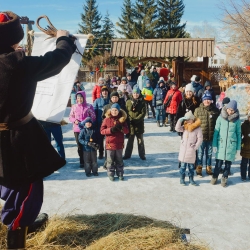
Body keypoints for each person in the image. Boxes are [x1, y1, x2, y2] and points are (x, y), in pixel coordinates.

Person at [0, 11, 76, 249]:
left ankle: (15, 221)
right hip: (19, 140)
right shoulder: (17, 63)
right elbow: (58, 59)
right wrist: (65, 39)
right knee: (28, 187)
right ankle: (17, 237)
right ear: (14, 39)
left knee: (10, 183)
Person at [211, 100, 241, 187]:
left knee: (228, 165)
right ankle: (215, 176)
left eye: (232, 110)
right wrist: (214, 145)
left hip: (231, 146)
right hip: (221, 145)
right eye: (229, 109)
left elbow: (239, 134)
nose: (230, 111)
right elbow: (216, 132)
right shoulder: (220, 118)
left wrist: (238, 148)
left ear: (235, 110)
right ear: (226, 108)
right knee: (218, 164)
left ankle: (224, 177)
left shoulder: (237, 120)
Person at [100, 103, 129, 181]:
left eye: (116, 110)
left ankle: (120, 174)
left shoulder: (122, 120)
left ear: (119, 111)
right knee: (110, 161)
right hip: (110, 144)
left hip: (119, 144)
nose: (114, 111)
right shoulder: (106, 119)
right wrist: (111, 130)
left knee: (119, 160)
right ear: (110, 111)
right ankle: (111, 174)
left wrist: (121, 128)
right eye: (113, 110)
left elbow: (127, 131)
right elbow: (102, 131)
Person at [194, 92, 220, 177]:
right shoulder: (198, 110)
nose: (207, 101)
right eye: (205, 99)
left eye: (208, 99)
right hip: (201, 137)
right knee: (200, 154)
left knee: (209, 154)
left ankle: (209, 169)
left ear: (211, 100)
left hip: (211, 137)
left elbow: (218, 123)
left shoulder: (215, 111)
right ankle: (199, 169)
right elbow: (195, 124)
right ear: (203, 100)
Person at [69, 91, 96, 167]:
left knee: (88, 145)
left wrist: (88, 121)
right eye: (78, 98)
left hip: (87, 129)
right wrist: (75, 120)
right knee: (80, 145)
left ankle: (89, 160)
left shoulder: (89, 106)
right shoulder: (74, 107)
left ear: (84, 98)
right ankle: (82, 160)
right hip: (77, 129)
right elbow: (70, 117)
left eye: (81, 98)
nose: (79, 99)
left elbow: (93, 117)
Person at [175, 111, 203, 186]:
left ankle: (191, 179)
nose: (186, 121)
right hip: (183, 151)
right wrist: (180, 120)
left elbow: (200, 139)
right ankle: (182, 179)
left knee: (191, 167)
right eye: (186, 120)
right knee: (183, 167)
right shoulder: (185, 127)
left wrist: (195, 146)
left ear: (192, 119)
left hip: (191, 151)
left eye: (188, 119)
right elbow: (177, 128)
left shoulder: (197, 128)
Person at [123, 88, 146, 160]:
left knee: (140, 141)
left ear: (139, 94)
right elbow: (126, 112)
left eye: (137, 93)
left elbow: (143, 113)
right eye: (134, 93)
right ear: (132, 94)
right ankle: (127, 155)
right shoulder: (128, 102)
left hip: (139, 124)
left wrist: (136, 120)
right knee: (130, 140)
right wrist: (129, 119)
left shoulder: (142, 102)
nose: (135, 95)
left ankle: (142, 155)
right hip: (130, 124)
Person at [93, 86, 110, 159]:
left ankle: (108, 153)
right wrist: (95, 122)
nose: (104, 92)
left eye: (106, 91)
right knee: (100, 139)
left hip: (109, 123)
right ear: (101, 92)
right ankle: (100, 152)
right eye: (103, 91)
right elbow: (94, 112)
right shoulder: (97, 101)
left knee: (108, 139)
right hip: (99, 122)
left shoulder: (110, 100)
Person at [240, 112, 250, 181]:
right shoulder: (244, 125)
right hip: (245, 147)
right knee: (244, 163)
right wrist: (241, 144)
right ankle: (243, 175)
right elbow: (240, 135)